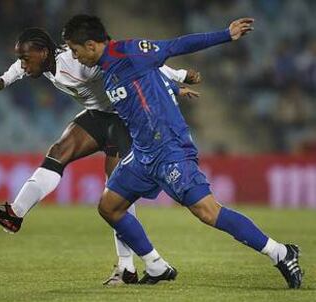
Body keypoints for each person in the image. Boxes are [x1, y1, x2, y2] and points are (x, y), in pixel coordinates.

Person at [62, 15, 303, 288]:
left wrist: (227, 34)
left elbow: (176, 45)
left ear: (91, 45)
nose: (75, 56)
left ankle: (280, 252)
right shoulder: (107, 71)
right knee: (109, 207)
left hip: (169, 149)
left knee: (208, 212)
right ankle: (155, 266)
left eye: (75, 49)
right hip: (142, 154)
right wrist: (175, 87)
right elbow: (148, 84)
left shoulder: (132, 51)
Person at [0, 27, 201, 285]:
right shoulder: (44, 63)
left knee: (116, 192)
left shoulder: (77, 63)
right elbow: (17, 68)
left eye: (26, 59)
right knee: (58, 152)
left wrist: (177, 77)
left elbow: (132, 62)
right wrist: (2, 81)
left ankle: (127, 266)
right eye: (21, 59)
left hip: (124, 118)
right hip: (97, 115)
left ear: (43, 52)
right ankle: (15, 213)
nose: (23, 65)